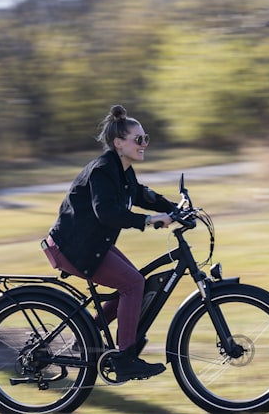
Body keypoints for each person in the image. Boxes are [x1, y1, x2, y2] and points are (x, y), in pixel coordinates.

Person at [42, 105, 177, 382]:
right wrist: (149, 220)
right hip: (73, 247)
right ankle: (125, 357)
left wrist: (175, 208)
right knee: (133, 284)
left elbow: (141, 194)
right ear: (119, 142)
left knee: (132, 282)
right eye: (138, 139)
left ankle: (85, 336)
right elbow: (106, 212)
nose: (144, 144)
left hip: (91, 244)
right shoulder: (103, 170)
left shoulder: (122, 170)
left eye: (146, 138)